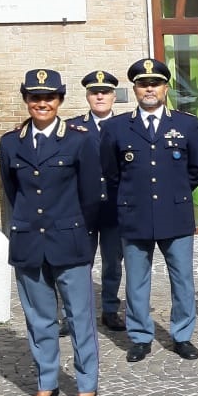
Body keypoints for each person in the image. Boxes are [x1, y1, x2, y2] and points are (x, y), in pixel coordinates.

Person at [0, 69, 103, 396]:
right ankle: (47, 383)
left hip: (69, 241)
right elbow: (13, 192)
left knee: (79, 318)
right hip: (29, 242)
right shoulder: (10, 142)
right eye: (34, 97)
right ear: (26, 99)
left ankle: (87, 386)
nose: (42, 103)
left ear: (59, 100)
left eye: (49, 97)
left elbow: (90, 196)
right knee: (39, 319)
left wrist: (83, 238)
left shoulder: (79, 139)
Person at [101, 58, 198, 363]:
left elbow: (197, 168)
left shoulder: (186, 124)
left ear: (165, 87)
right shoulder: (116, 127)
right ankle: (140, 336)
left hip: (175, 213)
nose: (149, 88)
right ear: (134, 88)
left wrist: (174, 192)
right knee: (136, 279)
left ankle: (183, 335)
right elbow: (111, 171)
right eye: (143, 84)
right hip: (134, 214)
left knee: (183, 279)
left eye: (155, 83)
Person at [64, 70, 126, 333]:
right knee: (79, 263)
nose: (99, 96)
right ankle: (76, 314)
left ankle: (110, 310)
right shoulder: (72, 127)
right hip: (82, 207)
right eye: (94, 92)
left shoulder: (126, 125)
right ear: (87, 96)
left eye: (105, 92)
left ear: (114, 95)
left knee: (113, 262)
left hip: (114, 206)